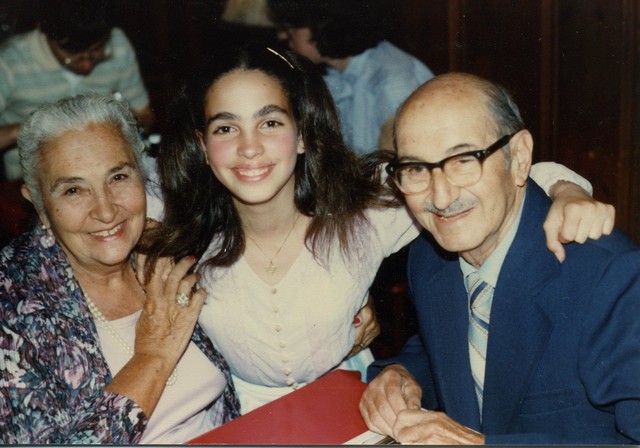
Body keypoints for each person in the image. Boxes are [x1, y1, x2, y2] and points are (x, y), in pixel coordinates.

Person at [142, 45, 614, 415]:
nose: (250, 148)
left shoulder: (362, 211)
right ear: (202, 146)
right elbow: (91, 201)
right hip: (241, 423)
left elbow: (494, 176)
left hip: (355, 412)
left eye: (270, 122)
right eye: (226, 129)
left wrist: (569, 191)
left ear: (303, 133)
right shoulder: (179, 222)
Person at [359, 72, 640, 444]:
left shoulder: (611, 277)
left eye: (463, 160)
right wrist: (401, 372)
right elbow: (449, 350)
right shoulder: (430, 258)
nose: (441, 198)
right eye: (416, 169)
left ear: (520, 157)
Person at [0, 93, 239, 444]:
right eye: (73, 190)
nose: (107, 212)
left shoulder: (165, 248)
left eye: (118, 178)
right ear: (39, 205)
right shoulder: (12, 306)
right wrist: (152, 358)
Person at [0, 0, 154, 181]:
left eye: (97, 51)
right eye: (72, 56)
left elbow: (145, 115)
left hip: (105, 171)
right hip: (32, 180)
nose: (87, 65)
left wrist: (120, 122)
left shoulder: (117, 43)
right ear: (46, 33)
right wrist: (28, 129)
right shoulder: (10, 60)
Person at [268, 0, 434, 154]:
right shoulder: (335, 74)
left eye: (291, 27)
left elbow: (390, 169)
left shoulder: (393, 81)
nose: (283, 36)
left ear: (324, 25)